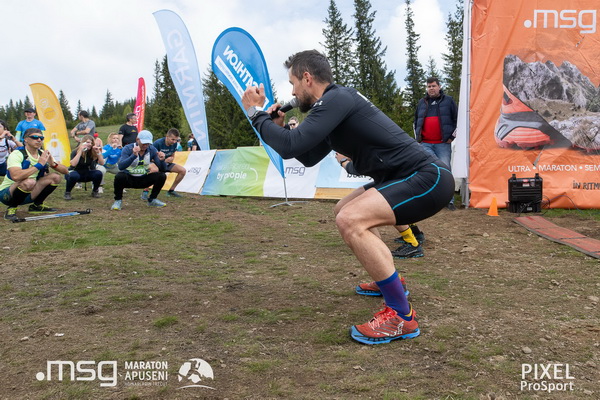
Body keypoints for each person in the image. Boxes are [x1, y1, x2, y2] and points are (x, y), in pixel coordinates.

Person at [242, 50, 454, 345]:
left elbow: (292, 145)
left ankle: (401, 316)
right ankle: (390, 280)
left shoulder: (337, 98)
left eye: (293, 84)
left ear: (307, 78)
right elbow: (304, 156)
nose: (292, 93)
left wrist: (255, 114)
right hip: (403, 178)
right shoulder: (329, 109)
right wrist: (273, 126)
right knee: (345, 208)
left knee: (350, 219)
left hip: (428, 177)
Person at [1, 128, 68, 221]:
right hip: (8, 193)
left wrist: (53, 164)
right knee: (30, 182)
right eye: (35, 137)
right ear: (26, 139)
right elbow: (16, 176)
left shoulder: (42, 154)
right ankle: (12, 208)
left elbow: (66, 171)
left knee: (56, 177)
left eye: (41, 138)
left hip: (30, 190)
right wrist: (39, 165)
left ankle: (37, 205)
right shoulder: (17, 154)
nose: (39, 140)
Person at [414, 77, 458, 210]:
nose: (431, 88)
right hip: (425, 144)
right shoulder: (422, 102)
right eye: (429, 86)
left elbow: (457, 120)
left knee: (445, 171)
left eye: (433, 86)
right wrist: (418, 138)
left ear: (439, 87)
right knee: (428, 171)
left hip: (443, 144)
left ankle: (449, 201)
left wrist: (452, 137)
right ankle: (430, 200)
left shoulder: (448, 100)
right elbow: (416, 121)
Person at [111, 130, 167, 210]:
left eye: (148, 143)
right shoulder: (128, 148)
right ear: (137, 140)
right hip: (129, 178)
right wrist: (133, 155)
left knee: (162, 176)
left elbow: (163, 169)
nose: (145, 145)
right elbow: (121, 166)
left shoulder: (152, 150)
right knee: (119, 176)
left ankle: (152, 199)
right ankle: (118, 201)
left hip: (144, 178)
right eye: (144, 143)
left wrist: (162, 160)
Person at [142, 128, 186, 198]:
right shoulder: (157, 143)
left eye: (176, 140)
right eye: (172, 139)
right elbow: (150, 158)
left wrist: (171, 158)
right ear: (167, 137)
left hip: (166, 164)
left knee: (183, 171)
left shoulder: (175, 144)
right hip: (155, 164)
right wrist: (163, 160)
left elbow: (172, 154)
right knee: (154, 170)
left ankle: (171, 191)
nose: (174, 142)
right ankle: (145, 191)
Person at [64, 134, 104, 200]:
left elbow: (102, 163)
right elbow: (73, 164)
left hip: (86, 173)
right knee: (74, 176)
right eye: (88, 142)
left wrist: (98, 153)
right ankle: (67, 192)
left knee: (98, 173)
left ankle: (95, 191)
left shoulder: (92, 153)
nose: (90, 144)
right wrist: (80, 151)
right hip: (74, 172)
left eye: (91, 143)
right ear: (83, 143)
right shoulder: (75, 152)